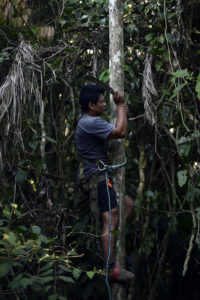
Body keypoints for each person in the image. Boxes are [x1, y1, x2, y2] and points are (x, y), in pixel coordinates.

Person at [75, 84, 134, 281]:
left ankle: (112, 243)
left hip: (99, 174)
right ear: (91, 105)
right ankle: (110, 268)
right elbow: (120, 132)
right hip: (94, 176)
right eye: (101, 102)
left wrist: (122, 109)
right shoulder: (90, 123)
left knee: (127, 205)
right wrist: (119, 105)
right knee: (112, 217)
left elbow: (119, 126)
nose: (103, 105)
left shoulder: (90, 120)